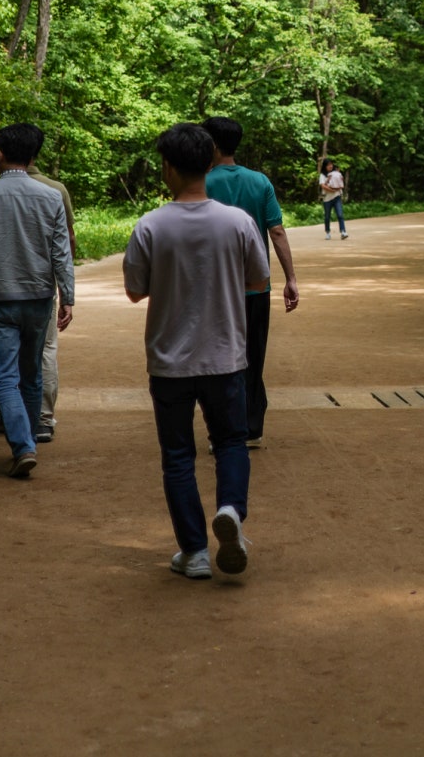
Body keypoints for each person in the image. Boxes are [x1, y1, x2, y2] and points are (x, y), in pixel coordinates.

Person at [123, 123, 270, 580]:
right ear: (209, 163)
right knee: (230, 441)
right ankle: (230, 510)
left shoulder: (150, 225)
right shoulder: (238, 222)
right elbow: (258, 280)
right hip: (226, 355)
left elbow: (134, 290)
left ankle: (194, 552)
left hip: (170, 362)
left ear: (167, 168)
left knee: (178, 455)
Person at [0, 123, 74, 479]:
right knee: (32, 374)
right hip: (39, 298)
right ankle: (30, 439)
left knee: (5, 377)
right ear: (34, 156)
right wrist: (68, 295)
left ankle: (22, 447)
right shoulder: (51, 197)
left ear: (0, 155)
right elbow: (61, 254)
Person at [202, 117, 299, 450]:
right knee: (253, 358)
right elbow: (277, 231)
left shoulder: (202, 183)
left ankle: (224, 431)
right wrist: (290, 278)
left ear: (212, 145)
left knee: (218, 359)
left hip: (216, 291)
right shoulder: (260, 182)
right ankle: (252, 428)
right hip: (256, 287)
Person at [0, 125, 77, 443]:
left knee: (5, 355)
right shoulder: (56, 190)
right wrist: (65, 288)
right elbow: (67, 240)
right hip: (41, 287)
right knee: (45, 351)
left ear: (1, 153)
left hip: (0, 287)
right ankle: (42, 420)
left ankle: (8, 415)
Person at [319, 158, 348, 240]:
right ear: (325, 166)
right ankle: (327, 232)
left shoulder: (336, 173)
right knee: (327, 216)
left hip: (337, 197)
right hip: (327, 199)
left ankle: (343, 231)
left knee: (340, 214)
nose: (330, 166)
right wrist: (333, 190)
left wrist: (337, 188)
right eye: (328, 165)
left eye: (331, 164)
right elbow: (323, 186)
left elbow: (341, 183)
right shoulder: (322, 175)